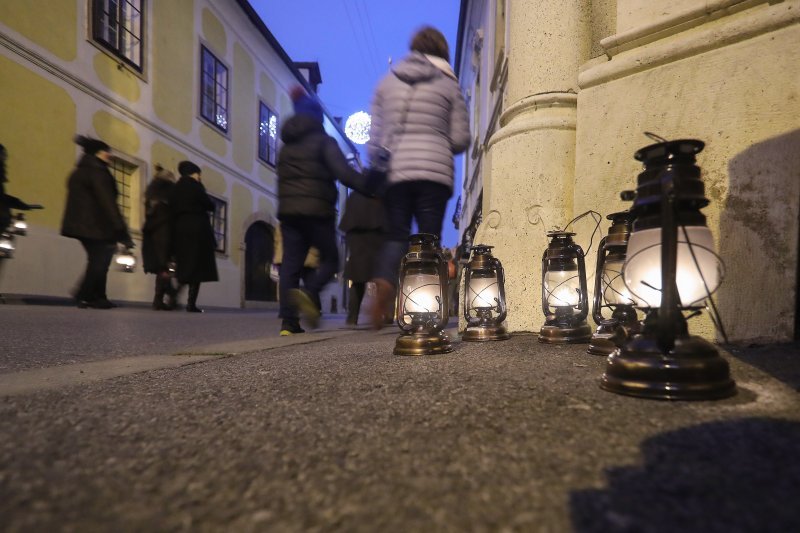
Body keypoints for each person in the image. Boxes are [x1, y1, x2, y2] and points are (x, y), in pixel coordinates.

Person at [367, 26, 470, 328]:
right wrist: (436, 143)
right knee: (429, 241)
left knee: (396, 236)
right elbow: (461, 138)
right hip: (434, 173)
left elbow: (374, 141)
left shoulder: (386, 84)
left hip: (397, 172)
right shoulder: (448, 86)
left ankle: (385, 284)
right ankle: (424, 306)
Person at [276, 86, 380, 335]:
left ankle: (288, 324)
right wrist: (369, 186)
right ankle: (309, 294)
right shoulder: (324, 142)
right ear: (318, 118)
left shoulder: (286, 147)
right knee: (331, 259)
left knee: (291, 264)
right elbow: (344, 174)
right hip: (317, 210)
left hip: (289, 212)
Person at [61, 135, 134, 309]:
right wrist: (121, 229)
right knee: (100, 260)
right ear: (98, 154)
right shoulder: (98, 172)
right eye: (107, 152)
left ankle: (98, 296)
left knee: (98, 259)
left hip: (81, 224)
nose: (110, 155)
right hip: (97, 225)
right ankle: (84, 295)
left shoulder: (79, 171)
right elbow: (107, 202)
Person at [169, 160, 218, 313]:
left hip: (180, 228)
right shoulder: (196, 187)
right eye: (198, 174)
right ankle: (191, 304)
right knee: (197, 267)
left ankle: (174, 296)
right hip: (198, 229)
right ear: (194, 173)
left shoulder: (176, 188)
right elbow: (210, 205)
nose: (200, 177)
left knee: (184, 265)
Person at [339, 190, 387, 326]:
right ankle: (384, 316)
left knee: (358, 280)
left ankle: (352, 318)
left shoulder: (355, 193)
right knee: (383, 278)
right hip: (377, 236)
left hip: (357, 237)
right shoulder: (381, 192)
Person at [142, 164, 177, 310]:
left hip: (152, 233)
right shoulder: (169, 192)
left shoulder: (151, 193)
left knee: (161, 268)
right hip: (165, 232)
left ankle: (160, 299)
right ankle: (163, 297)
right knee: (164, 267)